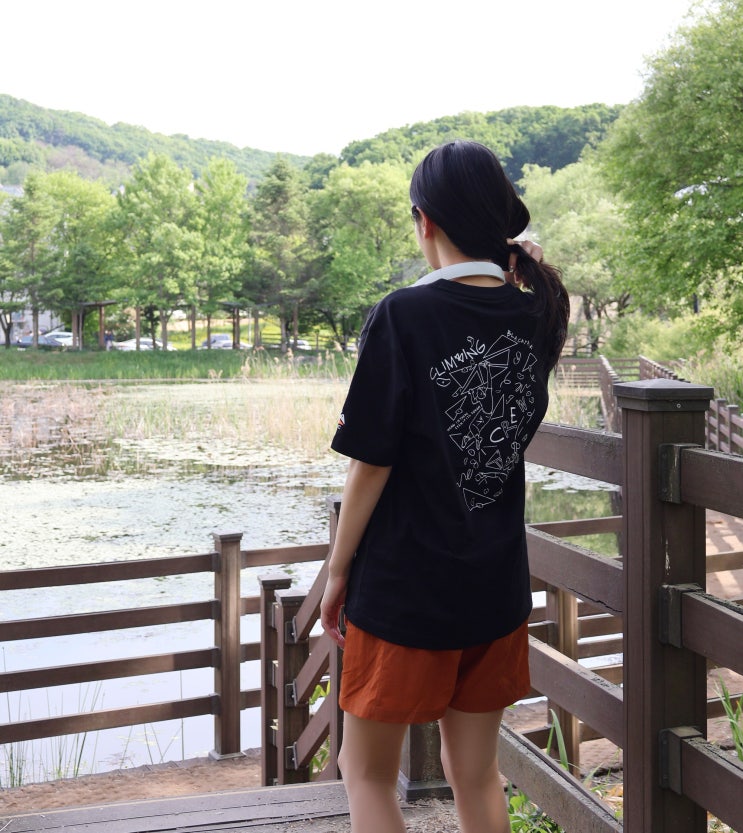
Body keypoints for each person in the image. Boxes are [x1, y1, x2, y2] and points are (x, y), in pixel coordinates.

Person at [320, 140, 570, 833]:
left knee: (365, 773)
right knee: (476, 773)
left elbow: (370, 463)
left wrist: (337, 572)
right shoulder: (533, 314)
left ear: (424, 220)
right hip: (495, 586)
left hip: (406, 588)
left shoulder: (402, 315)